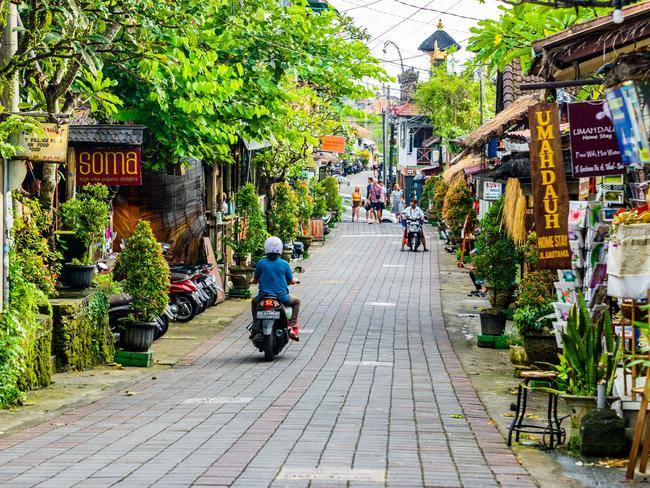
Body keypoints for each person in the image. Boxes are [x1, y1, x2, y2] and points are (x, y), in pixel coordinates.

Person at [251, 236, 301, 341]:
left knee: (254, 302)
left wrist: (252, 281)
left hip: (263, 296)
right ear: (280, 249)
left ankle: (255, 326)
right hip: (282, 297)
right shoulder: (284, 264)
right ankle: (292, 326)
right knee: (296, 302)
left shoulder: (261, 263)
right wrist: (295, 280)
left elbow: (255, 280)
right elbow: (291, 280)